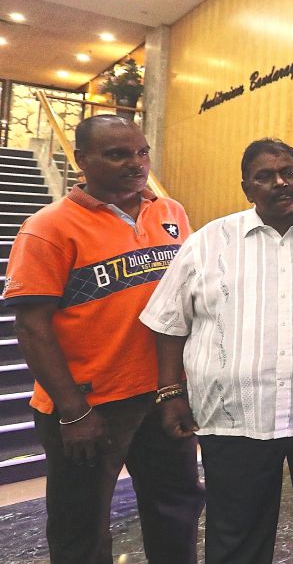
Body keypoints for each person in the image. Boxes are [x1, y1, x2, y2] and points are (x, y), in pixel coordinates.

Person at [1, 115, 203, 563]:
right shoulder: (48, 228)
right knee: (81, 531)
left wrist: (180, 387)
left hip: (162, 395)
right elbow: (31, 327)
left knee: (177, 512)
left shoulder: (169, 212)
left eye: (142, 152)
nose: (136, 164)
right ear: (82, 161)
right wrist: (73, 411)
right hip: (90, 406)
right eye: (118, 154)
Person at [140, 138, 293, 564]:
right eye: (264, 176)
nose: (280, 182)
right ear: (246, 188)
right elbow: (168, 322)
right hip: (234, 417)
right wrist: (169, 393)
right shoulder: (207, 242)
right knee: (237, 537)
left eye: (289, 172)